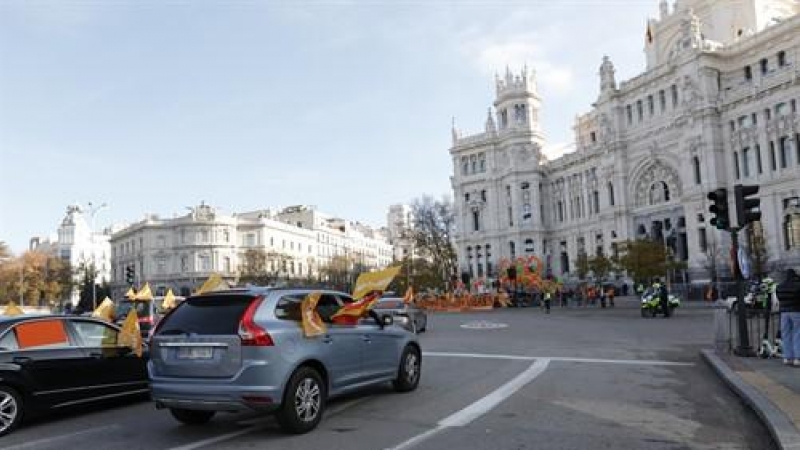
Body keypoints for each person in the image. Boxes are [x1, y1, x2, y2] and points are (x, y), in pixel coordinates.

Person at [777, 269, 800, 366]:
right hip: (796, 311)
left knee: (786, 335)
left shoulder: (780, 286)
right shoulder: (798, 285)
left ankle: (787, 357)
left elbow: (779, 298)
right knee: (797, 334)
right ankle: (797, 358)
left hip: (784, 312)